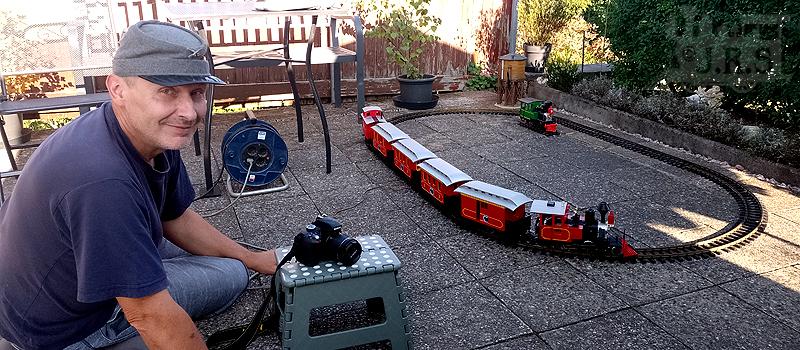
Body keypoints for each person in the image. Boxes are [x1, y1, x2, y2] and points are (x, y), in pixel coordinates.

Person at [0, 20, 278, 349]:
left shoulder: (147, 130)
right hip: (60, 327)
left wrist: (253, 257)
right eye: (167, 91)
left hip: (71, 264)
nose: (188, 113)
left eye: (197, 93)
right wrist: (243, 267)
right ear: (117, 88)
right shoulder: (102, 182)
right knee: (232, 276)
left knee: (237, 263)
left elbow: (175, 217)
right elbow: (151, 316)